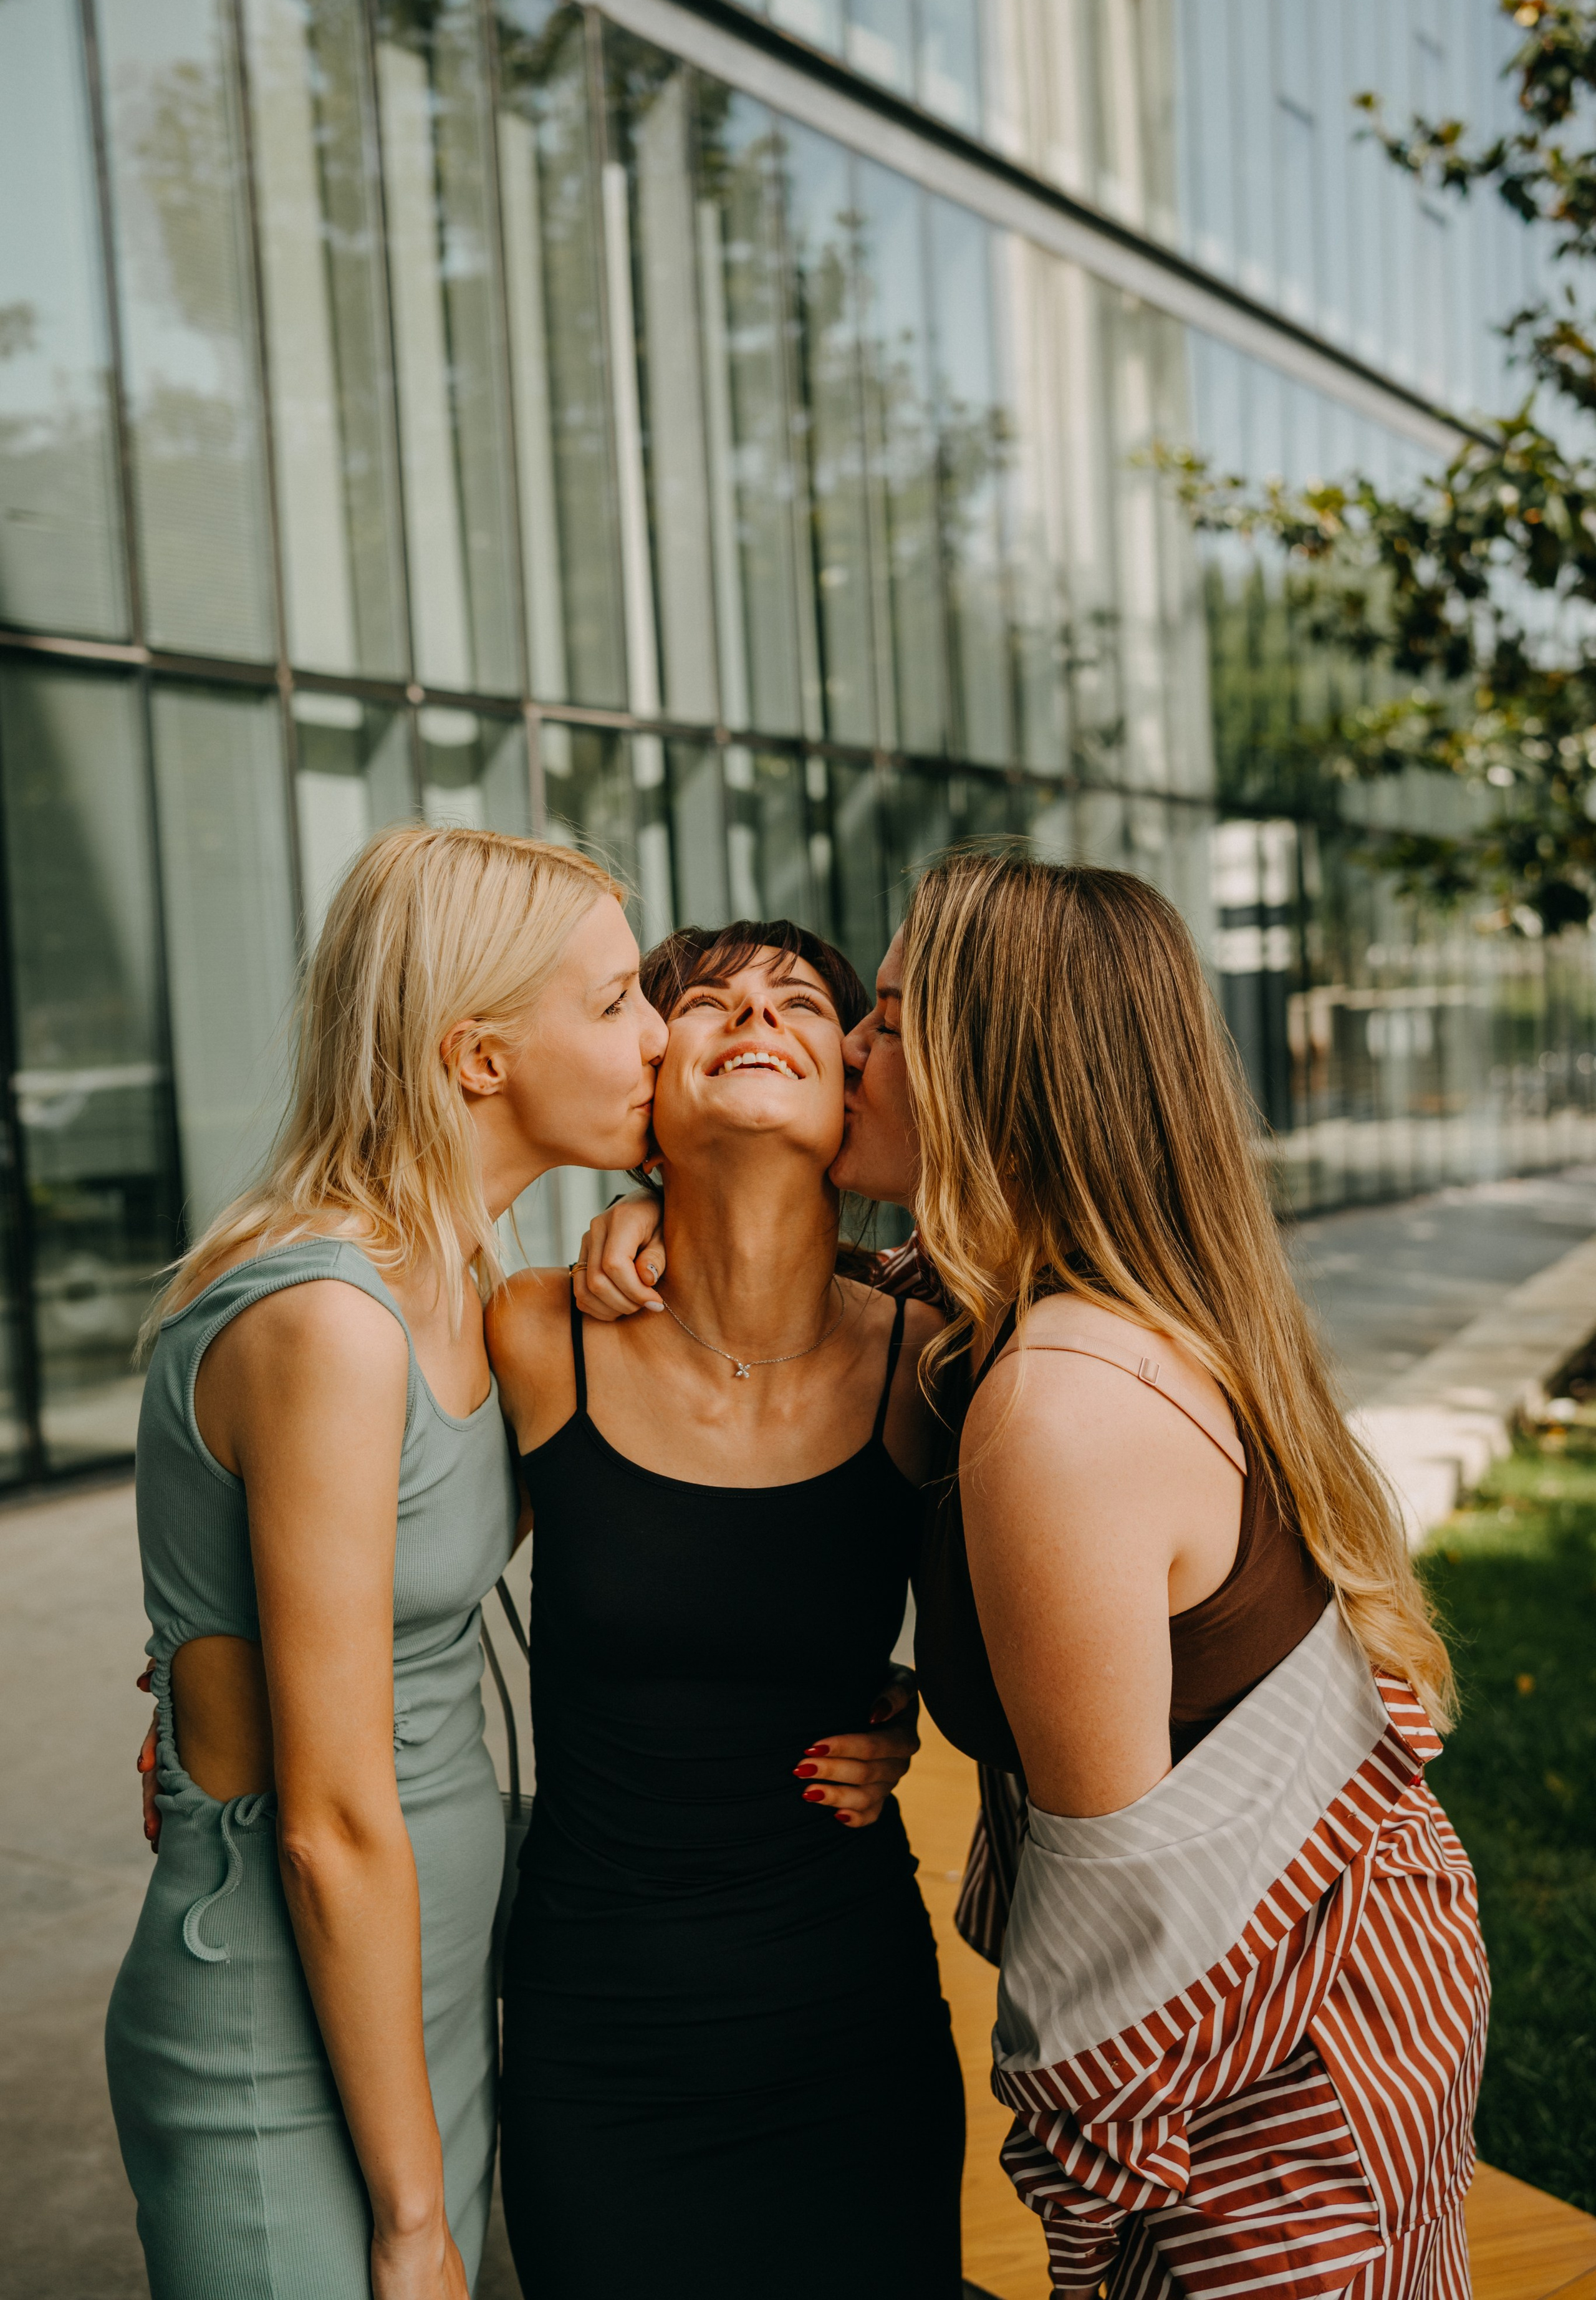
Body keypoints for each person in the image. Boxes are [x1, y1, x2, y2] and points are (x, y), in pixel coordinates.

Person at [582, 857, 1490, 2300]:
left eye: (882, 1021)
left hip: (1275, 2043)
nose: (849, 1049)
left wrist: (1080, 2220)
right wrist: (662, 1224)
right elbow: (818, 1302)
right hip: (1286, 1965)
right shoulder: (999, 1309)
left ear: (990, 1075)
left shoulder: (1056, 1403)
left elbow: (1123, 1928)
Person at [106, 828, 668, 2300]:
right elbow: (329, 1823)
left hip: (414, 2002)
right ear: (478, 1056)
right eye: (615, 1000)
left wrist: (642, 1233)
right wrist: (416, 2216)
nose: (658, 1035)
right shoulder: (331, 1322)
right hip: (280, 2026)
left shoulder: (460, 1284)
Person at [488, 918, 966, 2300]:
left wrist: (909, 1709)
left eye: (801, 1001)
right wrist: (203, 1680)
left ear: (853, 1092)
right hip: (602, 2035)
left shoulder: (929, 1367)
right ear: (649, 1085)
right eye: (707, 1002)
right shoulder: (534, 1333)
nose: (755, 1017)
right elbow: (379, 1569)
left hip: (850, 2017)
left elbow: (1022, 1639)